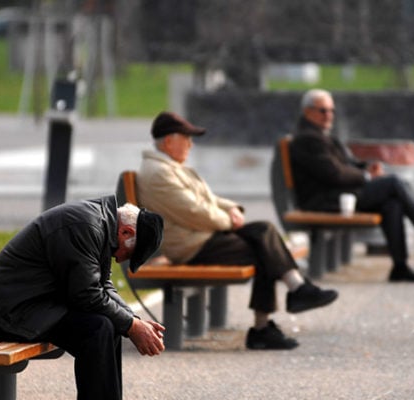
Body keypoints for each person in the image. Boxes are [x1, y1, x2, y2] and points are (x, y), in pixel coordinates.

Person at [0, 196, 165, 400]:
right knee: (98, 328)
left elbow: (102, 287)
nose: (120, 259)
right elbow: (86, 295)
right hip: (7, 313)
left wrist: (133, 320)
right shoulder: (84, 226)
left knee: (111, 323)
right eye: (128, 253)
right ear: (126, 231)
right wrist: (132, 325)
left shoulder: (101, 224)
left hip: (35, 306)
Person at [135, 111, 339, 350]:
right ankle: (270, 320)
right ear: (169, 141)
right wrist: (230, 222)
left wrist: (232, 209)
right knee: (264, 249)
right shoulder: (158, 173)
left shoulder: (169, 167)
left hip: (202, 236)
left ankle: (293, 294)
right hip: (191, 246)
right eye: (186, 138)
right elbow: (194, 211)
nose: (190, 144)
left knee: (264, 231)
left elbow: (209, 200)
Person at [289, 89, 414, 283]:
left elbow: (346, 163)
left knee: (392, 204)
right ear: (307, 112)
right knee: (394, 183)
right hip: (324, 200)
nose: (328, 115)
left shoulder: (320, 135)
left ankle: (400, 267)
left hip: (339, 195)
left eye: (331, 111)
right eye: (323, 110)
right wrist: (366, 176)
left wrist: (366, 166)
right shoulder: (308, 138)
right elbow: (333, 174)